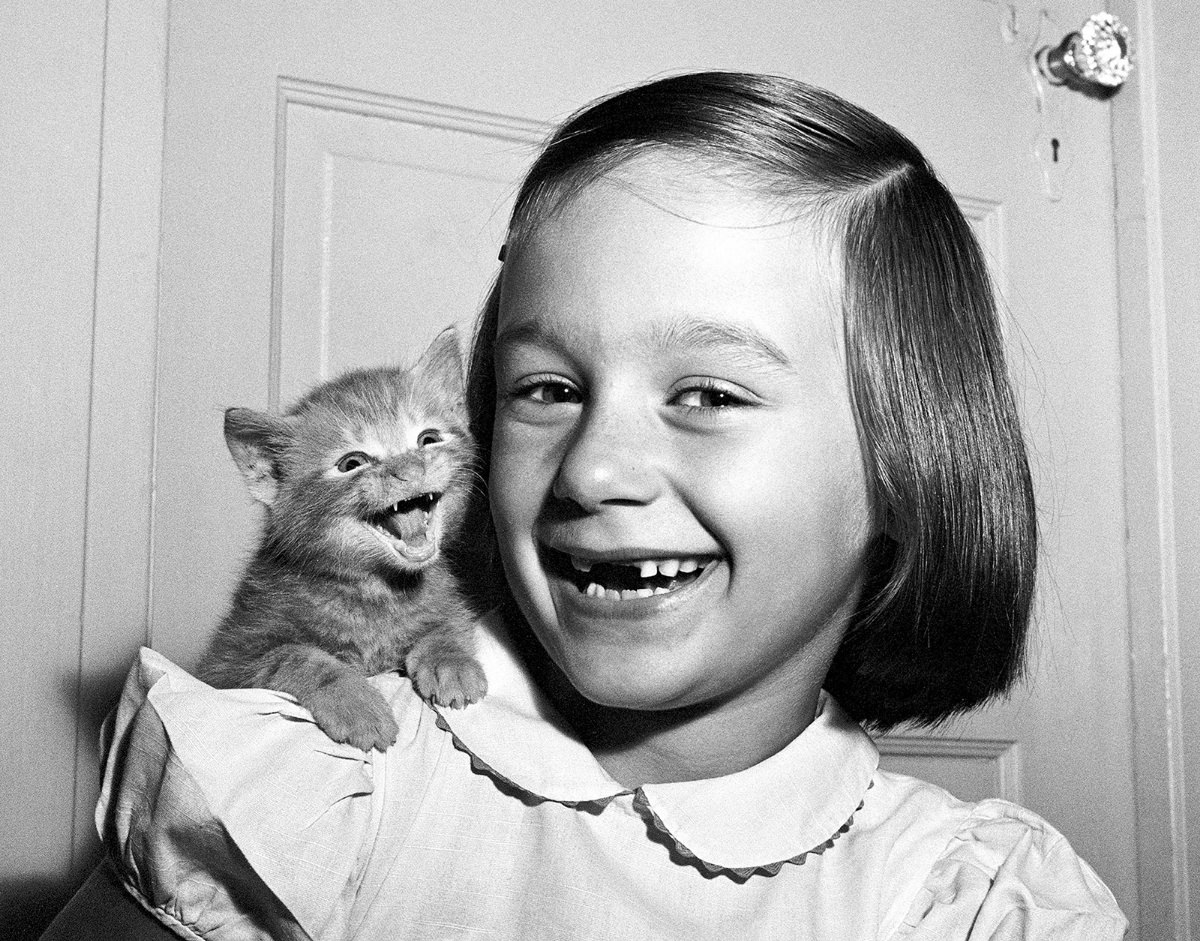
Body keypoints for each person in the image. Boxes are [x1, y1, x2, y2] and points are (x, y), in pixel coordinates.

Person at [43, 71, 1126, 940]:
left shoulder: (967, 902)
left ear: (912, 463)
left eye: (706, 393)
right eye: (548, 390)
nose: (592, 469)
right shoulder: (316, 795)